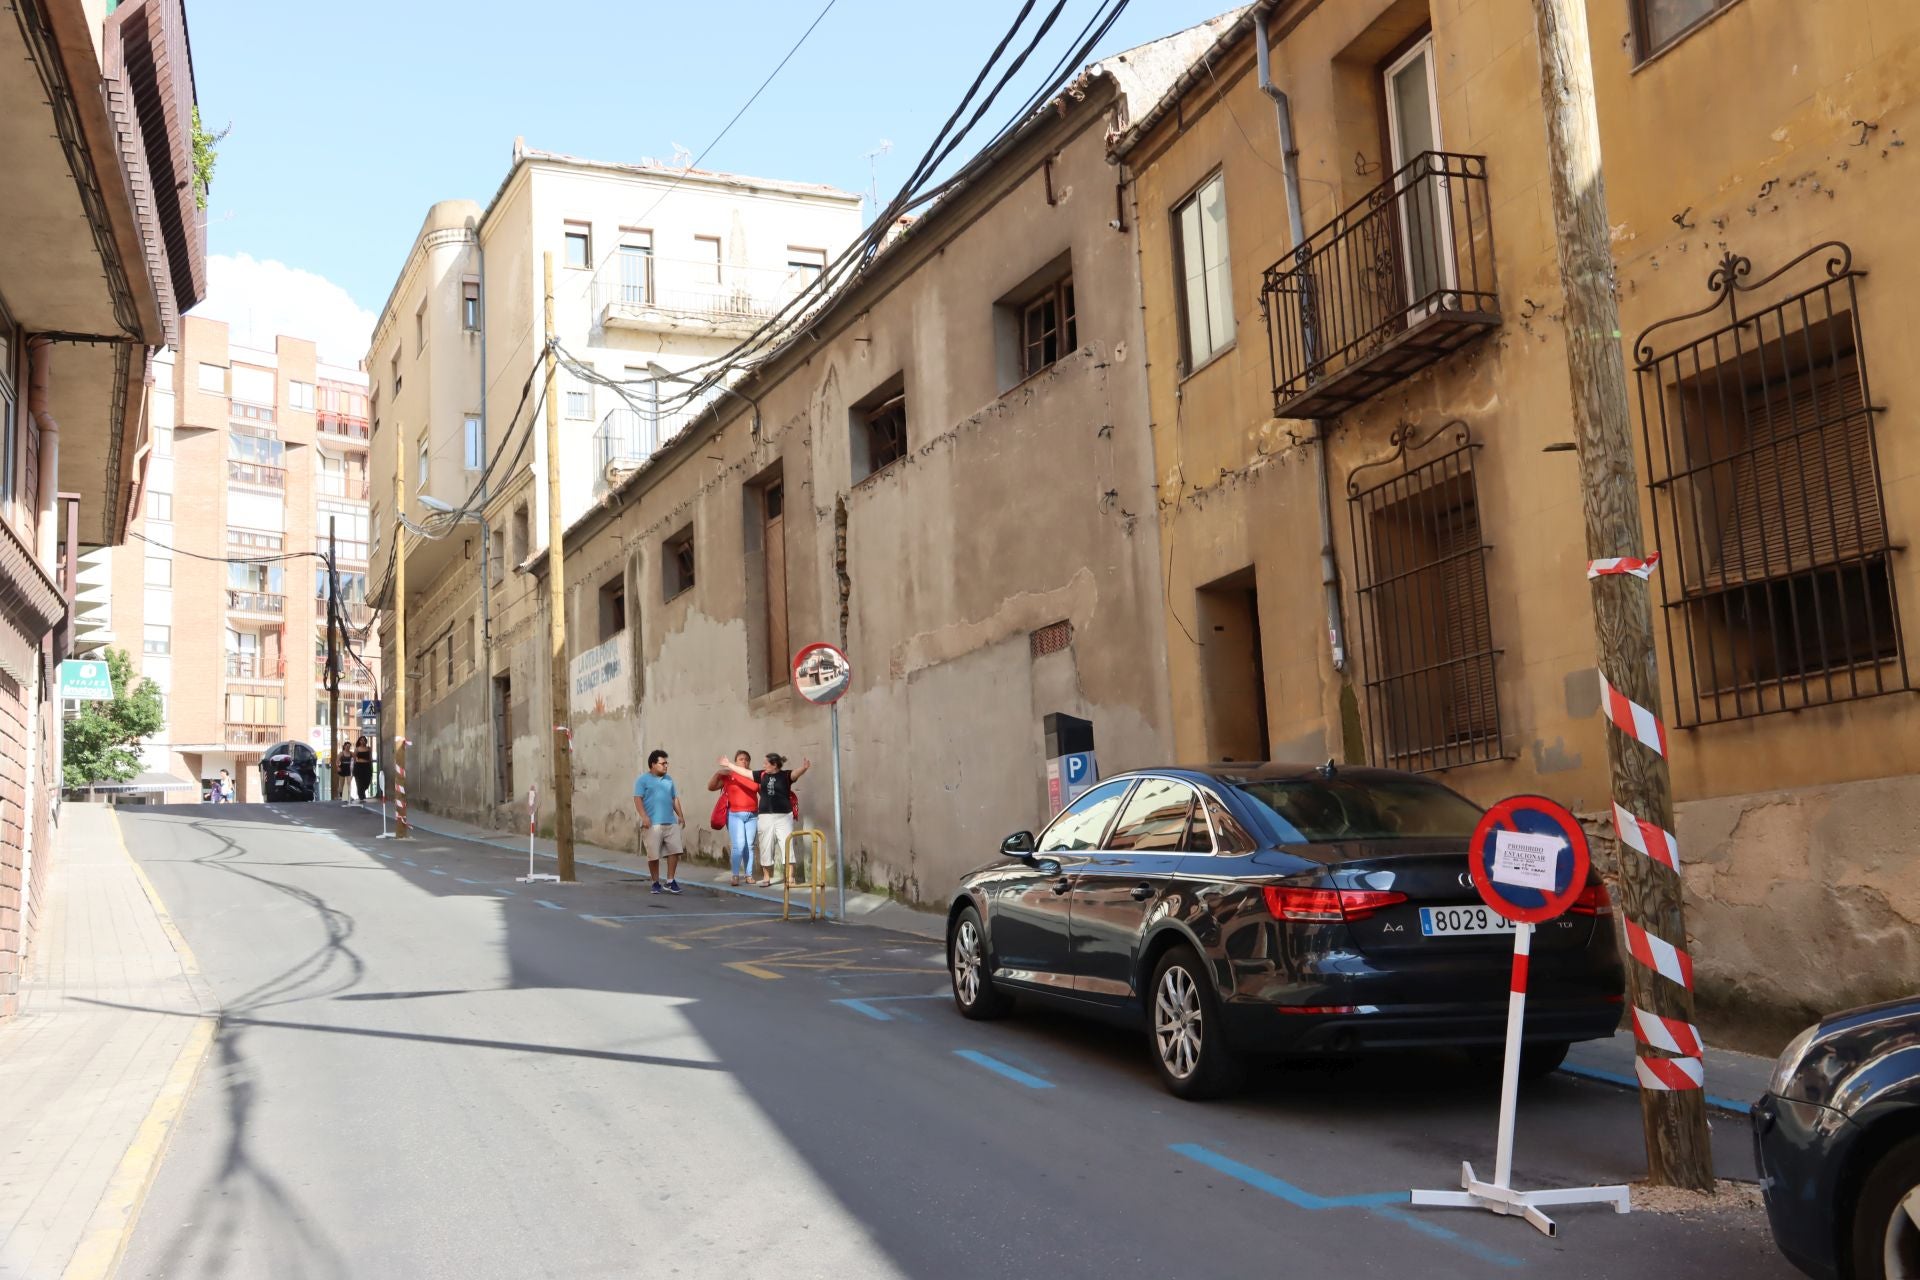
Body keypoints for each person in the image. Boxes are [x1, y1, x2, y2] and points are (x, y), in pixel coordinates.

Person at [752, 753, 812, 887]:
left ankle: (790, 878)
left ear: (774, 765)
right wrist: (730, 765)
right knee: (765, 846)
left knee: (787, 844)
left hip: (784, 816)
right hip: (765, 816)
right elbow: (746, 772)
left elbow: (795, 774)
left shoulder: (785, 775)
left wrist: (804, 768)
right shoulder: (761, 775)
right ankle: (766, 877)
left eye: (766, 763)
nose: (763, 765)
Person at [633, 749, 684, 895]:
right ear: (653, 764)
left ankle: (670, 881)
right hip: (652, 824)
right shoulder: (642, 780)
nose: (666, 766)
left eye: (666, 763)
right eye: (663, 763)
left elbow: (674, 798)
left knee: (675, 851)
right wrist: (644, 817)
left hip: (670, 822)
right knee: (653, 855)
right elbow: (637, 799)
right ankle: (655, 882)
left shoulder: (669, 780)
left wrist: (680, 815)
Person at [710, 751, 760, 887]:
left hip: (752, 814)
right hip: (735, 814)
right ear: (736, 761)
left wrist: (733, 771)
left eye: (746, 760)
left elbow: (755, 787)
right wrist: (718, 773)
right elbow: (711, 787)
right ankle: (735, 875)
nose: (744, 761)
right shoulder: (728, 776)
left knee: (749, 845)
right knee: (739, 845)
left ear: (749, 762)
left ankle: (749, 875)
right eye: (740, 759)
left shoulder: (753, 775)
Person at [353, 735, 375, 802]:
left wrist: (371, 767)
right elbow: (354, 758)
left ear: (366, 741)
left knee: (367, 781)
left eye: (364, 740)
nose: (362, 741)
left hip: (367, 766)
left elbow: (370, 758)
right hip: (359, 766)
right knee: (359, 782)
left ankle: (362, 792)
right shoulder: (357, 749)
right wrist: (353, 766)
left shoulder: (368, 748)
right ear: (359, 741)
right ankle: (361, 797)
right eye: (361, 740)